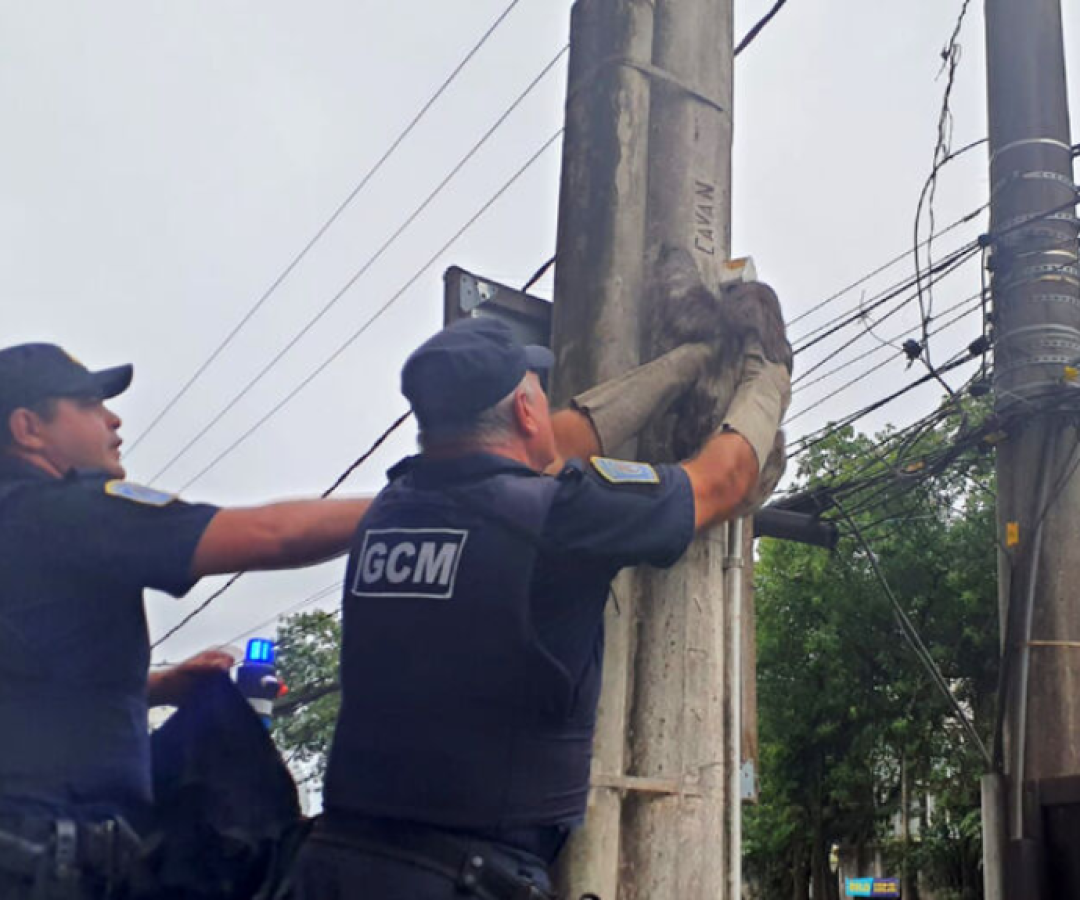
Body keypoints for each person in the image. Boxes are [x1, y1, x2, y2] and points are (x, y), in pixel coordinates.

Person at [296, 313, 791, 900]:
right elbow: (721, 482)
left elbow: (559, 442)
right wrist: (771, 373)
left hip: (335, 866)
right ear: (526, 411)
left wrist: (684, 363)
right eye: (536, 388)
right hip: (469, 878)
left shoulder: (391, 511)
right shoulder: (559, 518)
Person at [0, 342, 373, 899]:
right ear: (28, 428)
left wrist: (155, 688)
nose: (113, 417)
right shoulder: (66, 511)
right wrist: (411, 508)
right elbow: (272, 535)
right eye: (88, 403)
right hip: (49, 860)